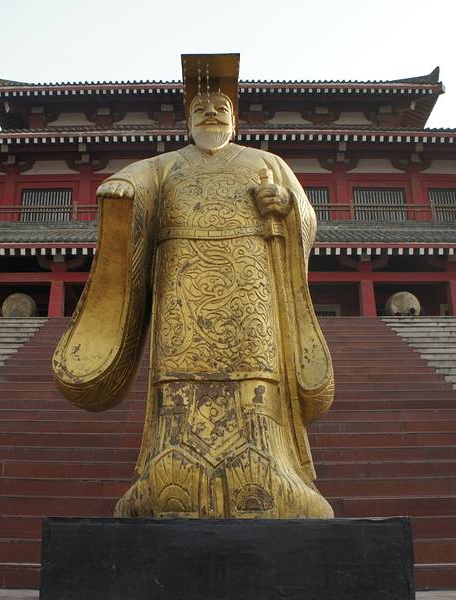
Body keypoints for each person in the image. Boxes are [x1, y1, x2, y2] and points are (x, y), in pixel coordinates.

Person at [53, 54, 334, 518]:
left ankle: (268, 471)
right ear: (187, 122)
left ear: (235, 121)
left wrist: (283, 204)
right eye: (201, 109)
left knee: (255, 372)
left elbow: (305, 215)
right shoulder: (165, 165)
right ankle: (170, 474)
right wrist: (123, 192)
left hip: (250, 282)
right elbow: (131, 181)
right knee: (177, 373)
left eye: (221, 109)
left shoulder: (267, 162)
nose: (211, 114)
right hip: (182, 277)